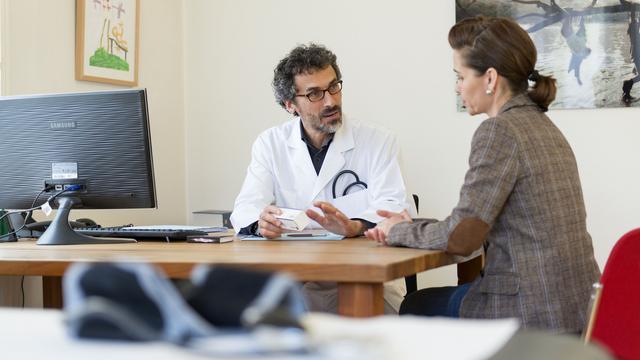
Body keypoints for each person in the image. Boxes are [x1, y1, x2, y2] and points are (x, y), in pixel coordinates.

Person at [365, 16, 600, 333]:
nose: (458, 86)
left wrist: (398, 231)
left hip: (530, 312)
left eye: (460, 76)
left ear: (490, 78)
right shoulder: (545, 127)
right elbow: (472, 227)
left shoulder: (499, 131)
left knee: (413, 306)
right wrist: (413, 226)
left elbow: (461, 238)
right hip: (579, 308)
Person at [231, 43, 408, 313]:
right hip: (295, 284)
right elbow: (245, 209)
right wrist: (260, 223)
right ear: (290, 105)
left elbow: (396, 209)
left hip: (364, 283)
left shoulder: (378, 141)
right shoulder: (270, 144)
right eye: (314, 94)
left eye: (333, 86)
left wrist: (356, 226)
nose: (331, 101)